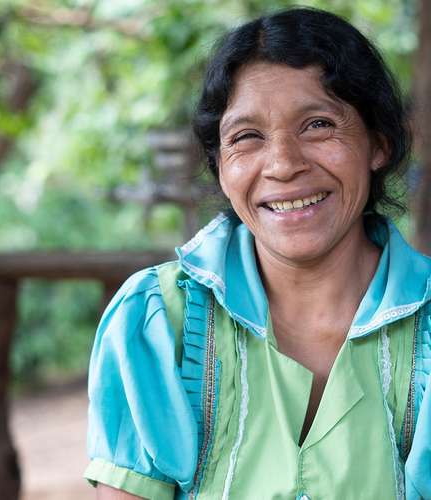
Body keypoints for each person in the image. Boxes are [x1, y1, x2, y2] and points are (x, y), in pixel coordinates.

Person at [84, 7, 431, 500]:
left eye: (317, 124)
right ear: (221, 168)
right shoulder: (160, 322)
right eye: (246, 137)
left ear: (379, 143)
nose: (284, 165)